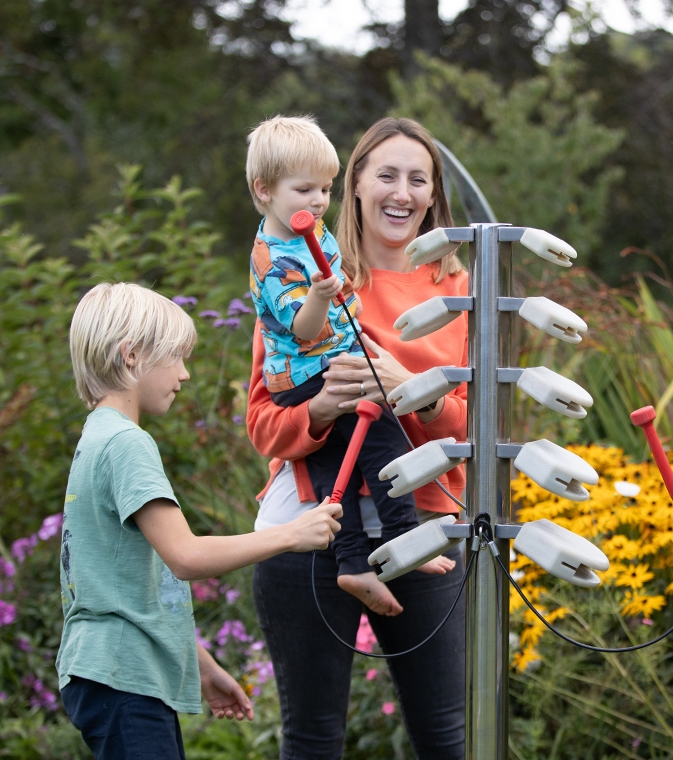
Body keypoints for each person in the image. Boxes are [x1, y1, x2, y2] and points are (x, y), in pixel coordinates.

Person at [247, 116, 469, 759]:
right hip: (311, 534)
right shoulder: (302, 285)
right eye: (387, 175)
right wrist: (319, 409)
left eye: (418, 179)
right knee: (313, 738)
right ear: (354, 188)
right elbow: (265, 425)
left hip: (425, 528)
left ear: (433, 196)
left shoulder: (461, 293)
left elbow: (474, 427)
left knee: (446, 738)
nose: (402, 193)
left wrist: (410, 388)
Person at [57, 282, 342, 760]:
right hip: (123, 675)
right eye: (175, 358)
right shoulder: (127, 444)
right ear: (131, 356)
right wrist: (292, 533)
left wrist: (199, 663)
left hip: (111, 670)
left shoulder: (97, 438)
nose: (185, 374)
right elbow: (186, 556)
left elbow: (123, 583)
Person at [245, 115, 417, 614]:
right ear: (264, 190)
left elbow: (333, 274)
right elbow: (301, 327)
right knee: (384, 439)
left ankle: (351, 564)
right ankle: (406, 538)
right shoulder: (271, 260)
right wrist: (323, 296)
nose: (318, 201)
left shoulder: (310, 230)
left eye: (325, 188)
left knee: (331, 472)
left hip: (317, 364)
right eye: (304, 190)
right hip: (306, 373)